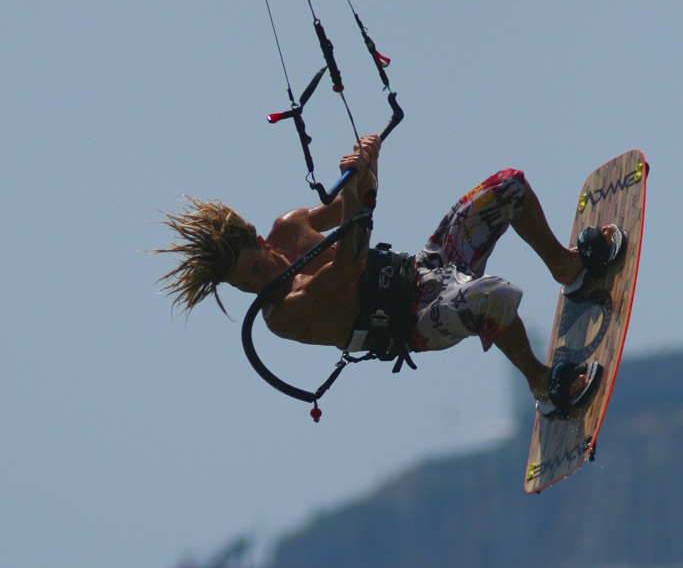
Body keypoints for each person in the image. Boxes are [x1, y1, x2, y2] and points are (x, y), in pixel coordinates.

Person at [155, 135, 624, 418]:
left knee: (509, 185)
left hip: (425, 267)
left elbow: (350, 206)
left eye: (253, 269)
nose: (256, 285)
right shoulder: (282, 315)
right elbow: (349, 264)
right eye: (243, 285)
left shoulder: (289, 226)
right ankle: (541, 382)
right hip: (414, 323)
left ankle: (565, 266)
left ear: (260, 240)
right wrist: (362, 191)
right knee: (491, 297)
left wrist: (366, 164)